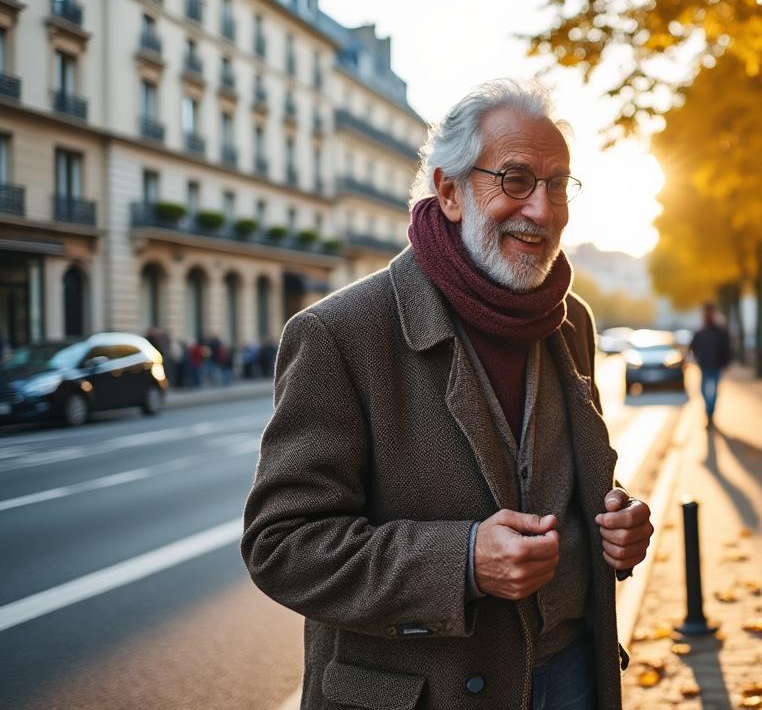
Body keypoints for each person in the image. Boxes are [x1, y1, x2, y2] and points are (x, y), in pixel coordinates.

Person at [242, 80, 654, 710]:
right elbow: (283, 547)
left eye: (557, 184)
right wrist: (461, 561)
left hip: (574, 674)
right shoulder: (339, 333)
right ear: (450, 191)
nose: (542, 211)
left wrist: (617, 526)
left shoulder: (572, 322)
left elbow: (574, 488)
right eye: (514, 180)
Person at [689, 303, 732, 426]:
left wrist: (726, 362)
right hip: (704, 365)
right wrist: (696, 357)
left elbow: (726, 348)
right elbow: (693, 347)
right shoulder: (700, 332)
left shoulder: (720, 332)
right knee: (703, 390)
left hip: (716, 365)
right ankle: (709, 410)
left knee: (713, 390)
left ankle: (710, 413)